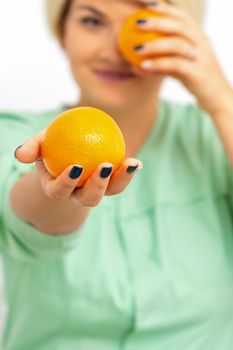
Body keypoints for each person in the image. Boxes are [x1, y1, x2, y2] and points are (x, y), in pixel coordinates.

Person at [0, 0, 233, 348]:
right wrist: (52, 187)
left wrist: (222, 101)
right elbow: (28, 216)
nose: (115, 50)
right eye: (92, 21)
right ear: (62, 32)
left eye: (142, 26)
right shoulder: (15, 133)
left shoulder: (213, 135)